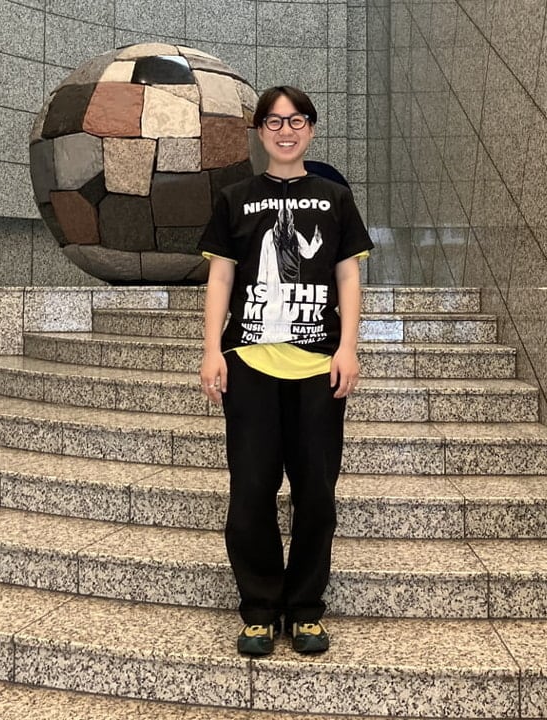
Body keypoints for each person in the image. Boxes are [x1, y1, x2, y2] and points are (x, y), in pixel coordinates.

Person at [198, 85, 373, 656]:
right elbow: (221, 277)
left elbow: (347, 276)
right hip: (249, 362)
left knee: (316, 493)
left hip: (319, 364)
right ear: (260, 132)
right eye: (274, 121)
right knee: (251, 490)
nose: (286, 130)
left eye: (296, 120)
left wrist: (348, 348)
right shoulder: (234, 199)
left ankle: (304, 609)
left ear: (311, 129)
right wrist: (211, 350)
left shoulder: (335, 198)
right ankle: (258, 609)